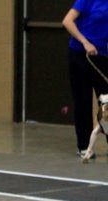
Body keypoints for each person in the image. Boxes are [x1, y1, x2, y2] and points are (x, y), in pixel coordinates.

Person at [62, 0, 108, 158]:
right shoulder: (86, 1)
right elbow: (67, 21)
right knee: (83, 101)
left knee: (106, 102)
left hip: (102, 56)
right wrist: (85, 42)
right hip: (81, 55)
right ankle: (83, 146)